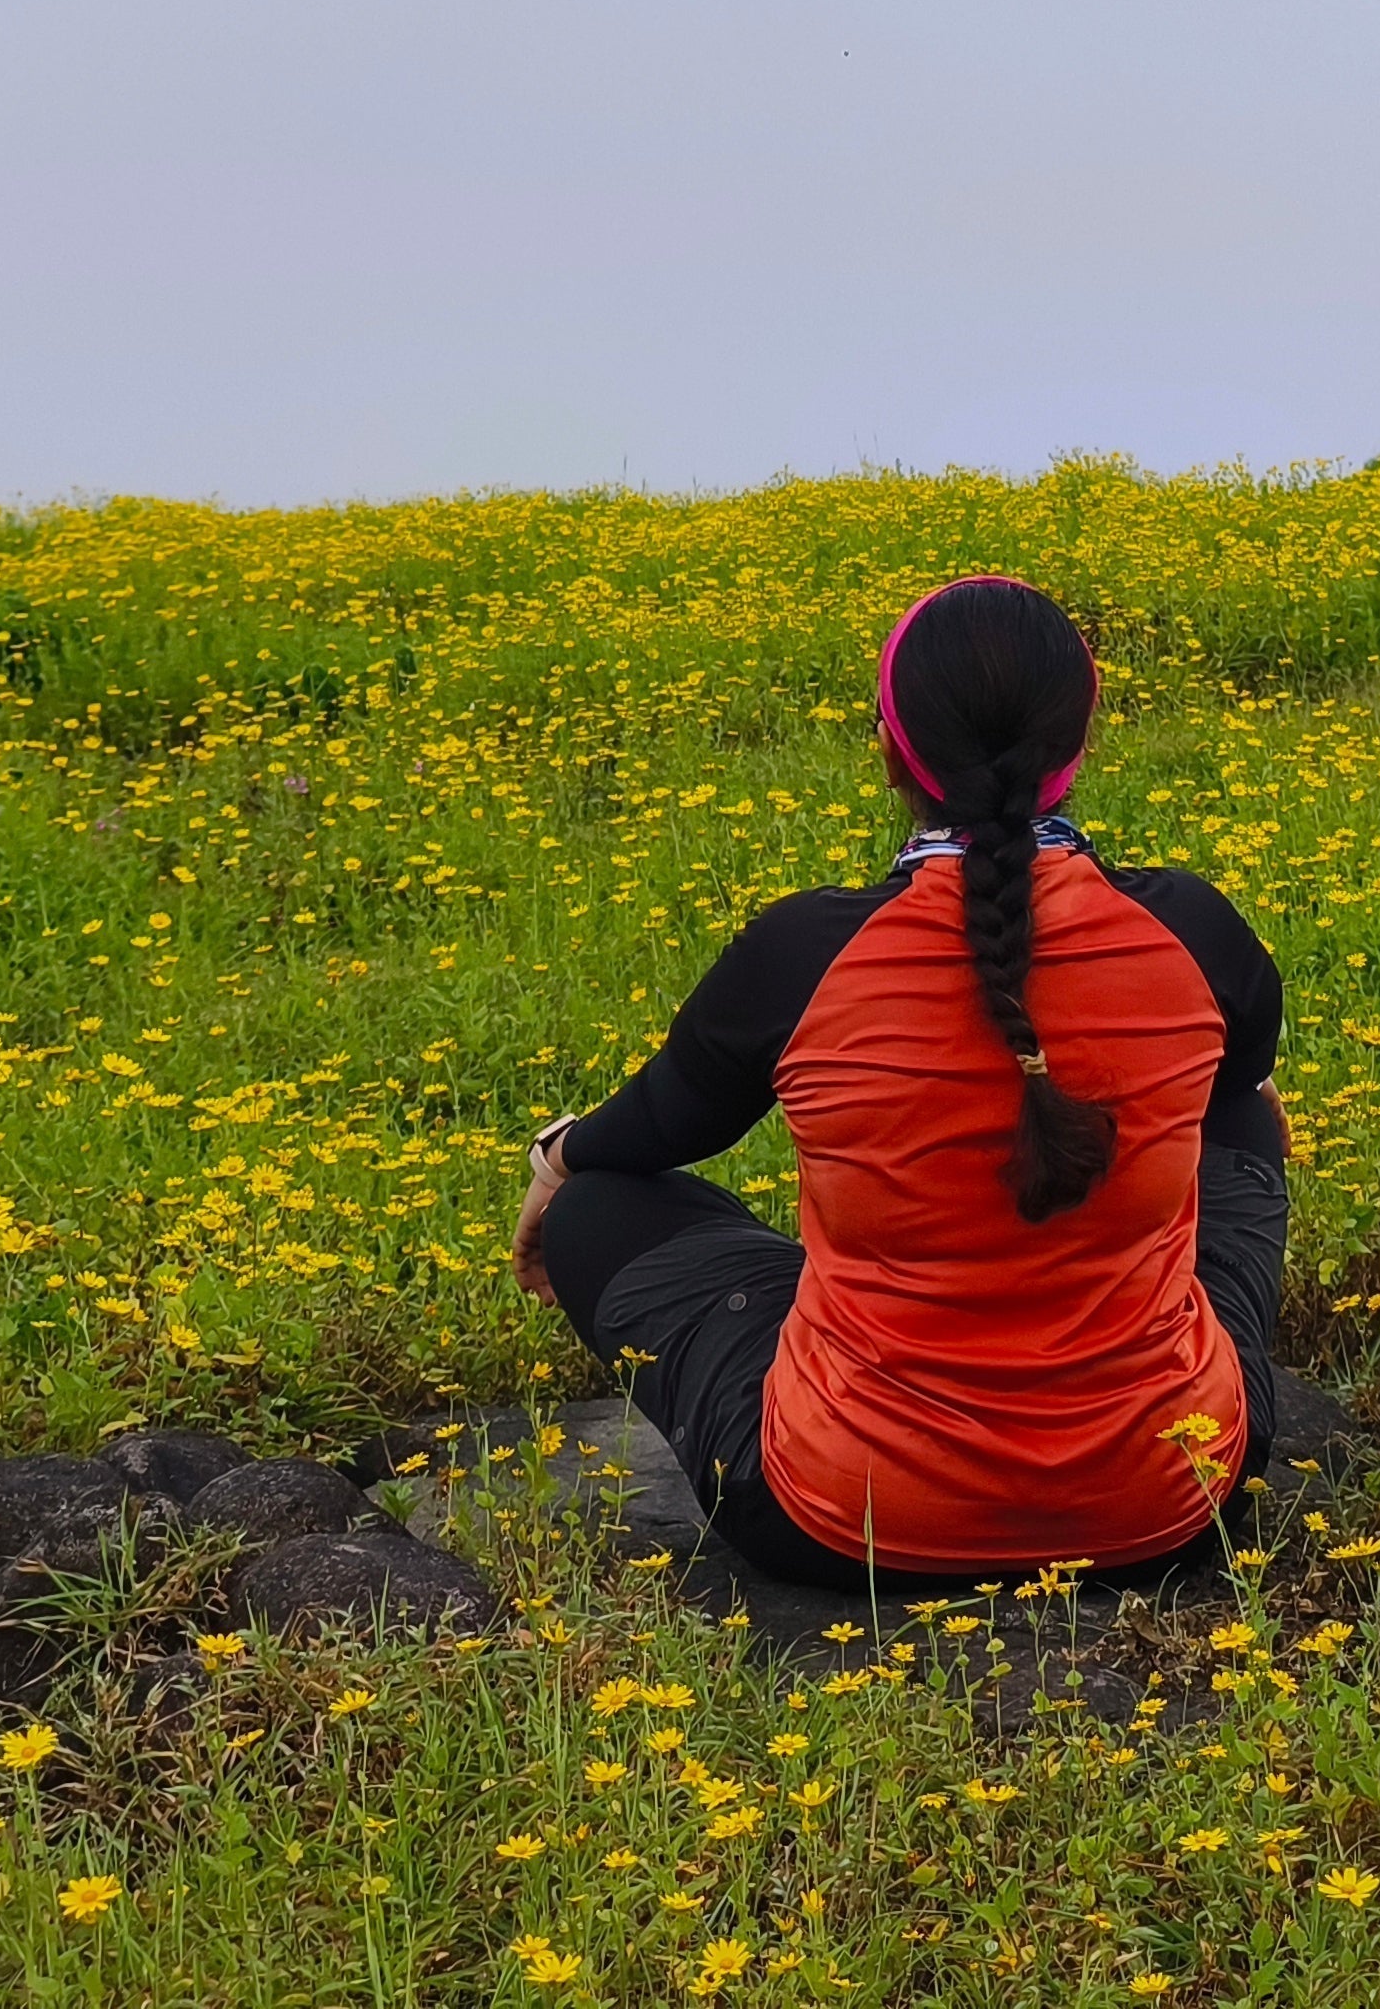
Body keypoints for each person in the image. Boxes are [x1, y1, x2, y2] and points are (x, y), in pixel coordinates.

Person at [512, 574, 1290, 1590]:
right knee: (1239, 1100)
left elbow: (654, 1127)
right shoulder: (1191, 929)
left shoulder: (800, 953)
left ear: (887, 748)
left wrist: (555, 1159)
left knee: (598, 1205)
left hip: (848, 1520)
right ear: (1080, 746)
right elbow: (1245, 1088)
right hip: (1174, 1497)